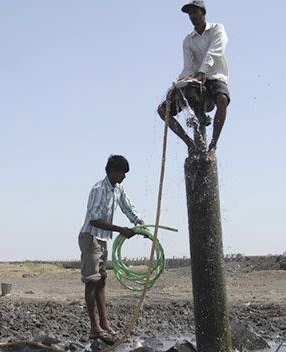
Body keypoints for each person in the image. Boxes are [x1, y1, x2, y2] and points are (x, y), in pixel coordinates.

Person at [78, 155, 144, 343]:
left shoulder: (118, 189)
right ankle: (94, 327)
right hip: (90, 237)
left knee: (101, 283)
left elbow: (127, 206)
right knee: (91, 282)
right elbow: (94, 219)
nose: (124, 177)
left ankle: (104, 324)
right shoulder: (99, 189)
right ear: (112, 171)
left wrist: (137, 221)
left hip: (103, 239)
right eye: (122, 173)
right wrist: (120, 229)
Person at [157, 0, 230, 161]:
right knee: (163, 109)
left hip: (214, 77)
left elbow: (214, 53)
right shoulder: (188, 40)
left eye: (195, 12)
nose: (192, 16)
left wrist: (201, 73)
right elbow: (188, 67)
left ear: (203, 12)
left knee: (222, 99)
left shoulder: (217, 29)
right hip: (196, 81)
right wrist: (177, 85)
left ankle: (212, 146)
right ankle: (191, 143)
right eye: (190, 13)